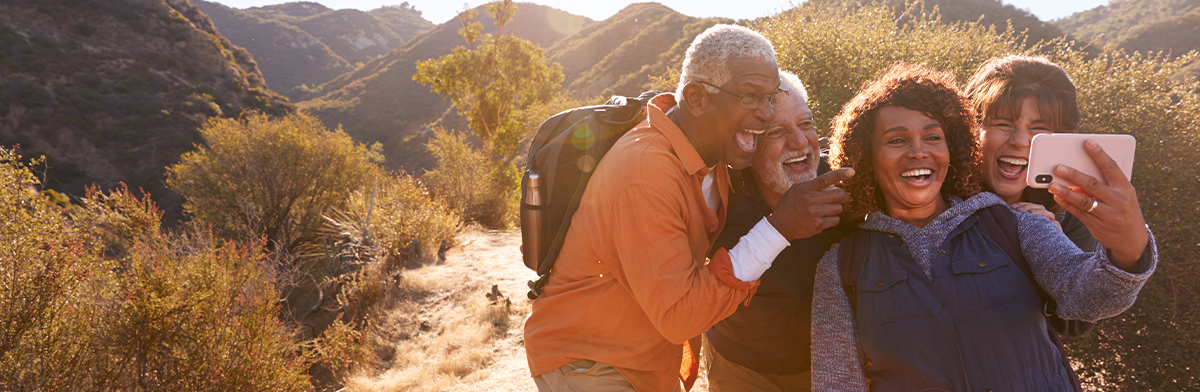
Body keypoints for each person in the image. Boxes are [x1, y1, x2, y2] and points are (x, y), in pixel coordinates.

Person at [524, 25, 852, 391]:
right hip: (590, 363)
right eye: (751, 96)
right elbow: (680, 316)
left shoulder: (714, 157)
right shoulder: (645, 172)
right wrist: (779, 229)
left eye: (771, 96)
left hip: (645, 359)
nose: (766, 113)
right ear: (696, 99)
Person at [810, 63, 1157, 391]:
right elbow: (837, 380)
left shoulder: (1021, 224)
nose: (918, 151)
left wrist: (1127, 249)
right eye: (896, 140)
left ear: (954, 147)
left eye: (933, 137)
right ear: (865, 156)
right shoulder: (840, 266)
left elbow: (1086, 299)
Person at [702, 71, 854, 392]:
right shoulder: (718, 201)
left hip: (823, 366)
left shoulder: (846, 184)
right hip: (741, 367)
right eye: (776, 132)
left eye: (807, 124)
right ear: (747, 144)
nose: (800, 142)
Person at [966, 55, 1097, 251]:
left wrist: (1055, 249)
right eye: (1003, 124)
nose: (1019, 141)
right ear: (971, 128)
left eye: (1039, 129)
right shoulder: (936, 204)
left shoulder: (1076, 212)